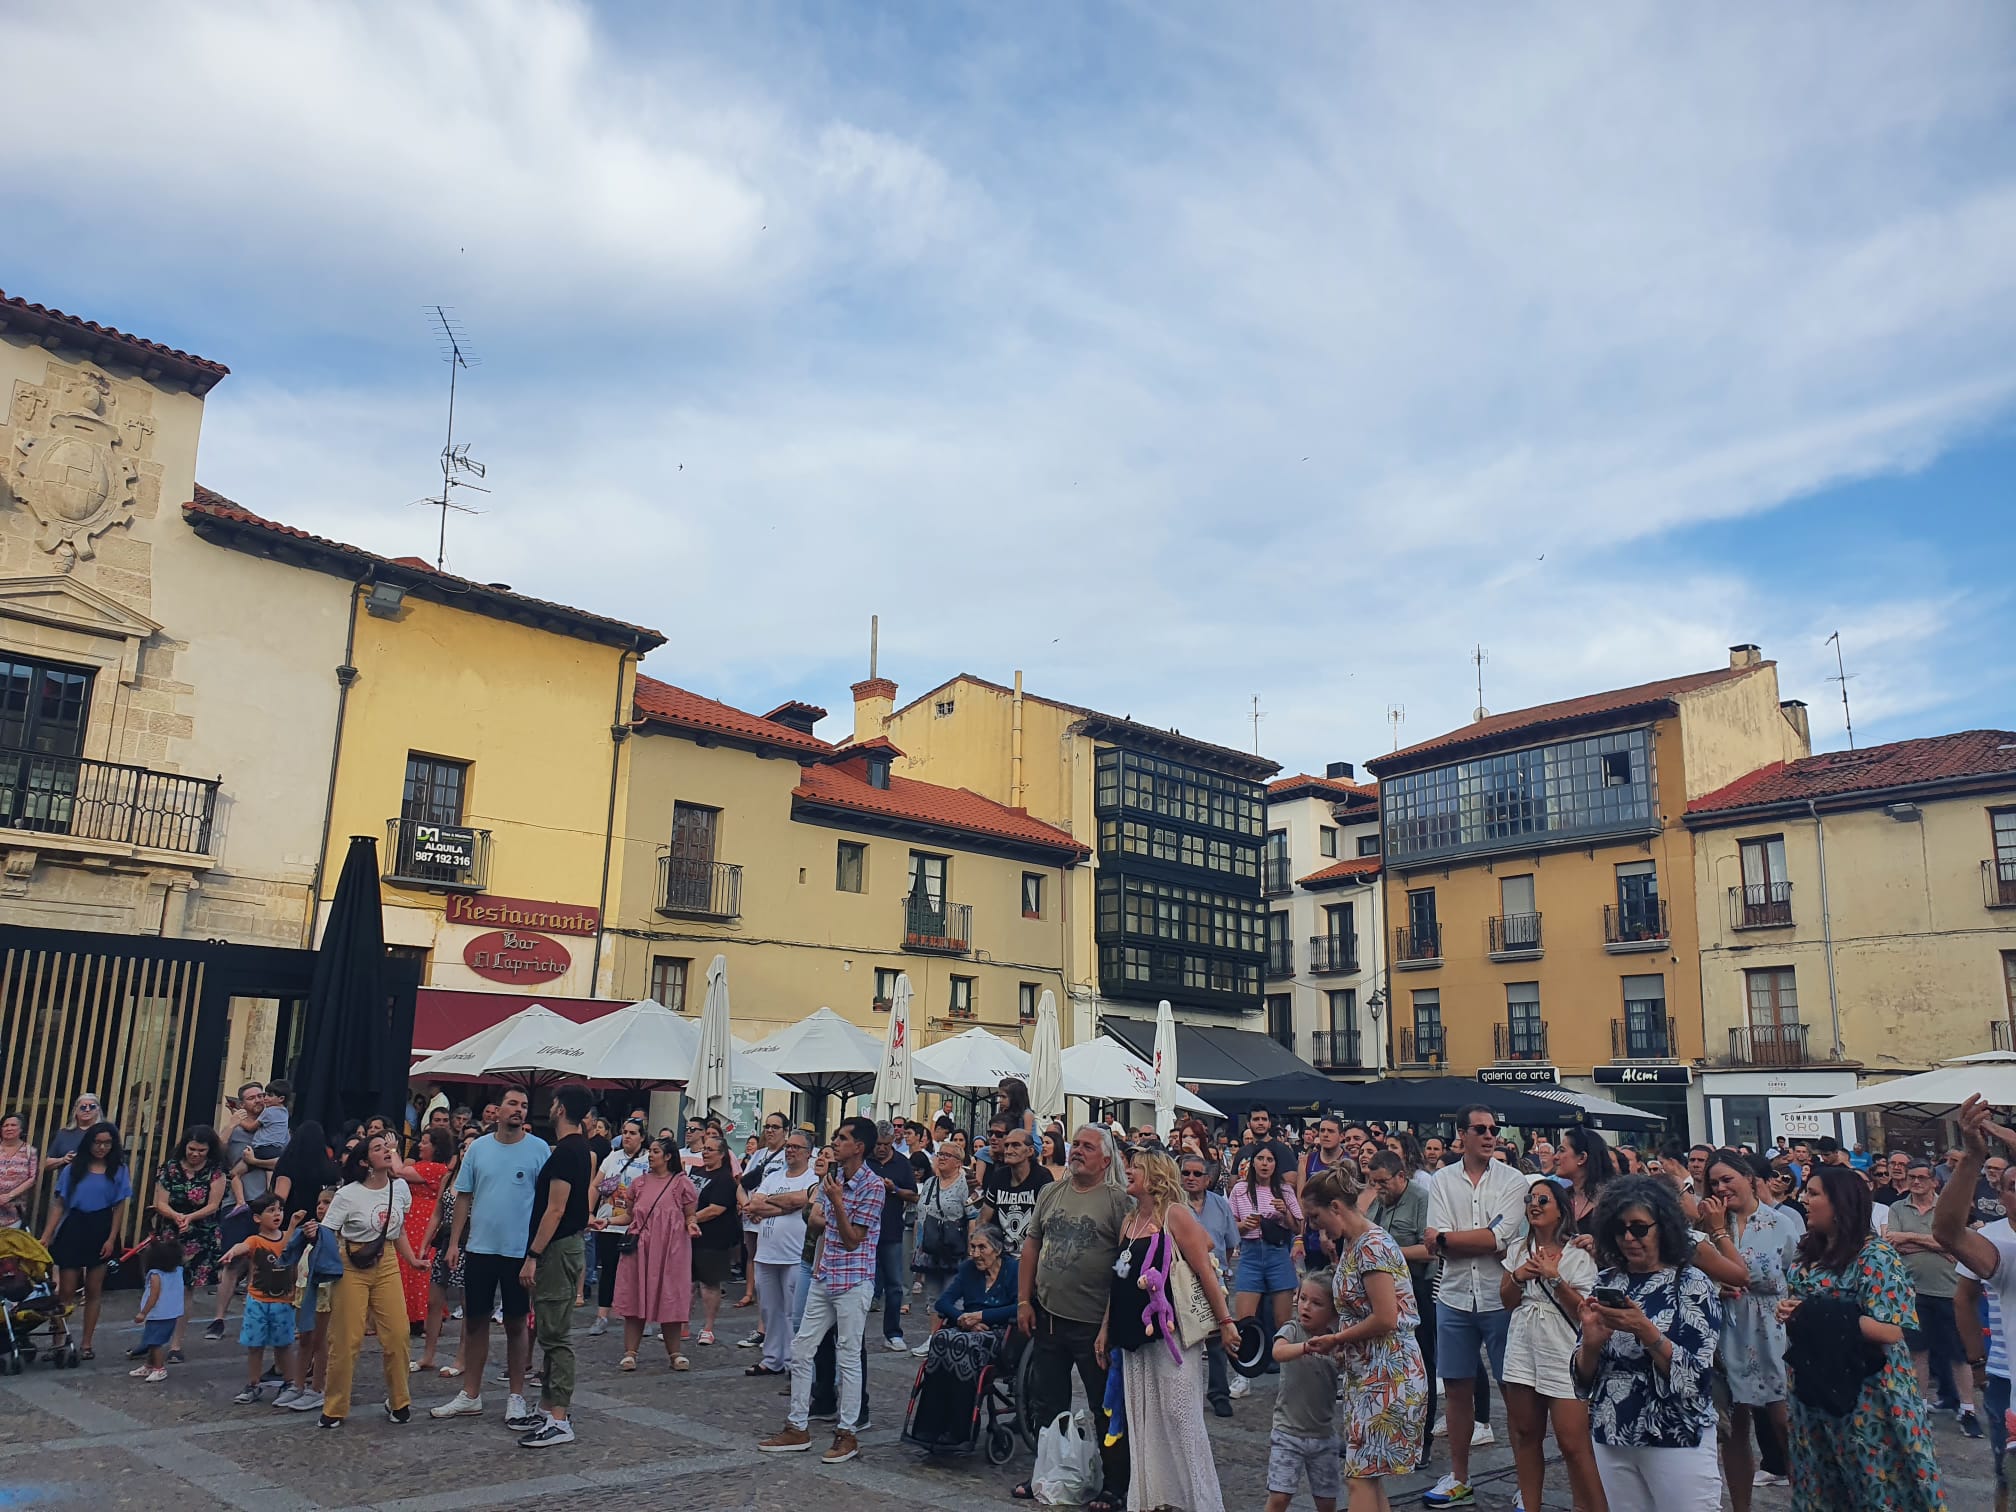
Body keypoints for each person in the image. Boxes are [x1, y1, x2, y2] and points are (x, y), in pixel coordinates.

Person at [1785, 1161, 1943, 1508]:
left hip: (1869, 1394)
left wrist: (1809, 1313)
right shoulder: (1807, 1252)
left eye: (1813, 1194)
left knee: (1875, 1485)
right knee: (1823, 1483)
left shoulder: (1875, 1256)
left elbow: (1891, 1329)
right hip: (1814, 1385)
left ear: (1840, 1202)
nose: (1804, 1199)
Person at [1100, 1147, 1239, 1512]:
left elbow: (1205, 1265)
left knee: (1181, 1414)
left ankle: (1200, 1501)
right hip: (1132, 1334)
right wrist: (1105, 1330)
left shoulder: (1174, 1214)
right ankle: (1156, 1499)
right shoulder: (1129, 1221)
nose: (1128, 1172)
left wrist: (1226, 1322)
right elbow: (1118, 1280)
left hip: (1170, 1332)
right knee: (1144, 1416)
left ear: (1155, 1174)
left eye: (1136, 1168)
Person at [1571, 1175, 1722, 1510]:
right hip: (1614, 1432)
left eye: (1639, 1228)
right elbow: (1581, 1382)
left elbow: (1697, 1377)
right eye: (1619, 1229)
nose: (1628, 1238)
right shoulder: (1606, 1281)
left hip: (1676, 1434)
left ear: (1663, 1228)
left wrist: (1647, 1332)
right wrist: (1592, 1344)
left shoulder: (1692, 1283)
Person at [1012, 1125, 1133, 1509]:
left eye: (1087, 1147)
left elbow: (1125, 1265)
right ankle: (1048, 1474)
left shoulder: (1118, 1201)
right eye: (1075, 1144)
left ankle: (1114, 1485)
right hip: (1048, 1315)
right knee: (1047, 1403)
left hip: (1093, 1323)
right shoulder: (1051, 1191)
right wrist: (1023, 1300)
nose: (1077, 1151)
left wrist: (1109, 1325)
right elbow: (1032, 1245)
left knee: (1105, 1408)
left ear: (1106, 1159)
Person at [760, 1114, 886, 1465]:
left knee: (848, 1355)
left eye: (842, 1138)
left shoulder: (873, 1186)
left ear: (858, 1147)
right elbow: (819, 1224)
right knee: (802, 1348)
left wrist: (838, 1203)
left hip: (854, 1280)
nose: (835, 1142)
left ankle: (848, 1433)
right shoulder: (834, 1179)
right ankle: (797, 1426)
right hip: (825, 1275)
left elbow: (852, 1239)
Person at [1421, 1104, 1529, 1508]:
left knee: (1514, 1391)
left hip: (1500, 1296)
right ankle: (1460, 1477)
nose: (1489, 1135)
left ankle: (1527, 1480)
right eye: (1480, 1128)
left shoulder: (1514, 1180)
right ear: (1461, 1135)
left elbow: (1497, 1238)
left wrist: (1451, 1240)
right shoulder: (1441, 1180)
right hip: (1453, 1295)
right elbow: (1438, 1238)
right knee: (1456, 1389)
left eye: (1494, 1128)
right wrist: (1462, 1239)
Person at [1302, 1165, 1428, 1510]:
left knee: (1358, 1478)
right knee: (1366, 1476)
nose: (1314, 1227)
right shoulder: (1354, 1242)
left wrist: (1337, 1340)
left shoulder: (1372, 1245)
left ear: (1336, 1208)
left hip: (1388, 1371)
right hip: (1371, 1371)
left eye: (1314, 1217)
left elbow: (1386, 1317)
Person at [431, 1086, 549, 1429]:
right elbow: (464, 1196)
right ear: (496, 1110)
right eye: (513, 1103)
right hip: (480, 1248)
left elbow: (544, 1202)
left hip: (517, 1252)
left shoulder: (538, 1149)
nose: (519, 1110)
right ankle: (470, 1394)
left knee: (515, 1323)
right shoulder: (479, 1149)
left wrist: (536, 1252)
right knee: (475, 1320)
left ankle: (515, 1395)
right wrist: (454, 1243)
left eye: (524, 1106)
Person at [1498, 1175, 1602, 1512]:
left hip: (1562, 1347)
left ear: (1561, 1209)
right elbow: (1506, 1300)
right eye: (1530, 1199)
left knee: (1573, 1443)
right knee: (1526, 1434)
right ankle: (1530, 1505)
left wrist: (1554, 1278)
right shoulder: (1517, 1248)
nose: (1534, 1205)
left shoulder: (1579, 1252)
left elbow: (1584, 1310)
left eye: (1543, 1200)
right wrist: (1518, 1276)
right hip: (1523, 1344)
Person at [1705, 1148, 1798, 1511]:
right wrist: (1716, 1286)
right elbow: (1693, 1273)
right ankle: (1741, 1506)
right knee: (1734, 1430)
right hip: (1724, 1329)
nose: (1721, 1188)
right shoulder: (1708, 1225)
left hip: (1769, 1329)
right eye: (1714, 1183)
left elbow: (1791, 1271)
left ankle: (1804, 1498)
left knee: (1783, 1421)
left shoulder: (1780, 1223)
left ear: (1749, 1179)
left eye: (1728, 1179)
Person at [1942, 1096, 2016, 1512]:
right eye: (2011, 1185)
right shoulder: (1996, 1244)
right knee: (2006, 1472)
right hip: (2007, 1373)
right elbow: (1963, 1299)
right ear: (1999, 1193)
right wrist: (1977, 1362)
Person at [316, 1132, 418, 1429]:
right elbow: (328, 1232)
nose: (387, 1150)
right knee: (347, 1338)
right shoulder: (348, 1194)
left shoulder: (399, 1188)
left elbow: (397, 1230)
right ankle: (334, 1407)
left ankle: (399, 1401)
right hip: (351, 1262)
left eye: (387, 1147)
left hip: (386, 1261)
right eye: (378, 1148)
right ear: (365, 1161)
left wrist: (411, 1259)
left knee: (398, 1334)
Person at [515, 1083, 593, 1449]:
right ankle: (548, 1407)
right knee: (548, 1327)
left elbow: (556, 1208)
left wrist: (533, 1253)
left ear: (560, 1108)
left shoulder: (566, 1152)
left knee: (555, 1334)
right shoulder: (579, 1149)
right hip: (566, 1246)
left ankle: (560, 1417)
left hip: (558, 1248)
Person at [902, 1220, 1021, 1451]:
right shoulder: (968, 1269)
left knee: (964, 1345)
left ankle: (958, 1430)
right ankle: (930, 1427)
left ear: (997, 1249)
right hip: (968, 1327)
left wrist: (982, 1316)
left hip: (999, 1332)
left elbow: (1019, 1307)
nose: (975, 1253)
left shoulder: (1013, 1270)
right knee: (942, 1340)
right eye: (973, 1247)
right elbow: (944, 1302)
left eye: (981, 1248)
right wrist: (961, 1319)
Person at [1886, 1156, 1975, 1429]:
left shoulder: (1947, 1208)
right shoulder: (1898, 1208)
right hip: (1913, 1291)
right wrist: (1938, 1245)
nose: (1915, 1182)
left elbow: (1956, 1241)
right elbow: (1892, 1242)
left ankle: (1969, 1409)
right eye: (1911, 1177)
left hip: (1950, 1290)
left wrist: (1910, 1238)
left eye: (1921, 1177)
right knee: (1918, 1351)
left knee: (1959, 1353)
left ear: (1934, 1181)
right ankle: (1919, 1405)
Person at [40, 1120, 130, 1360]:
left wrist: (112, 1238)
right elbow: (60, 1204)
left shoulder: (118, 1169)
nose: (101, 1148)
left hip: (101, 1225)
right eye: (97, 1143)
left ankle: (87, 1343)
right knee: (67, 1288)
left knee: (93, 1288)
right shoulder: (74, 1168)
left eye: (107, 1143)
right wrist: (47, 1236)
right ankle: (59, 1339)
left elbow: (120, 1206)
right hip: (75, 1224)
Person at [611, 1134, 699, 1372]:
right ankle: (630, 1352)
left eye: (656, 1151)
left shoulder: (682, 1183)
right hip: (641, 1248)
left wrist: (692, 1224)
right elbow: (629, 1215)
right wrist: (606, 1220)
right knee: (635, 1296)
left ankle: (675, 1352)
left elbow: (690, 1214)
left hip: (672, 1248)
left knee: (670, 1297)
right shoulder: (639, 1183)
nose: (650, 1154)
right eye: (650, 1151)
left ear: (668, 1156)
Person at [1264, 1272, 1343, 1512]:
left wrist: (1341, 1357)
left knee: (1327, 1502)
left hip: (1324, 1436)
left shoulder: (1336, 1339)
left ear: (1333, 1312)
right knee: (1279, 1498)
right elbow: (1278, 1352)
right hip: (1287, 1433)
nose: (1306, 1306)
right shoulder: (1292, 1330)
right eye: (1303, 1298)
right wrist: (1306, 1347)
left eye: (1317, 1303)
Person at [220, 1193, 307, 1406]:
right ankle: (253, 1383)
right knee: (255, 1345)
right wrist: (233, 1251)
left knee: (284, 1344)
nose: (277, 1214)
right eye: (271, 1210)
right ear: (257, 1218)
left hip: (283, 1301)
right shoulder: (256, 1240)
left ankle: (289, 1382)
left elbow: (287, 1249)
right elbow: (244, 1246)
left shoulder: (289, 1236)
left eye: (279, 1210)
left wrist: (294, 1224)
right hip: (257, 1300)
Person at [744, 1129, 818, 1377]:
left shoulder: (811, 1178)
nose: (790, 1150)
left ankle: (793, 1360)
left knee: (793, 1311)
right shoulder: (773, 1176)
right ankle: (773, 1357)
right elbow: (754, 1204)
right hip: (767, 1253)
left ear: (808, 1153)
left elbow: (804, 1200)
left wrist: (771, 1204)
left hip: (794, 1255)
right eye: (789, 1146)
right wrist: (785, 1205)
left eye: (796, 1147)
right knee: (769, 1308)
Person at [148, 1124, 226, 1358]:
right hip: (171, 1231)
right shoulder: (170, 1168)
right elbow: (161, 1201)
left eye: (201, 1151)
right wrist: (176, 1216)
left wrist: (190, 1217)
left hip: (201, 1233)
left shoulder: (216, 1171)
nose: (195, 1154)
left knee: (185, 1290)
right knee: (159, 1287)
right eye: (192, 1149)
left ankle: (176, 1345)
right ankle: (152, 1341)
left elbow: (213, 1204)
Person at [1180, 1151, 1239, 1417]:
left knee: (1218, 1341)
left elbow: (1229, 1244)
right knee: (1184, 1342)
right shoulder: (1174, 1205)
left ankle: (1219, 1394)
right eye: (1186, 1173)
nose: (1191, 1178)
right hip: (1182, 1284)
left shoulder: (1220, 1205)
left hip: (1215, 1281)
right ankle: (1184, 1396)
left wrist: (1221, 1270)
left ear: (1207, 1179)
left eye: (1196, 1174)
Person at [278, 1184, 343, 1412]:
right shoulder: (311, 1230)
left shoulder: (335, 1233)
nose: (321, 1207)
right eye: (319, 1203)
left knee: (319, 1339)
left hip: (324, 1288)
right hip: (305, 1286)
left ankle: (317, 1387)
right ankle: (298, 1384)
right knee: (305, 1336)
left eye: (327, 1203)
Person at [1230, 1144, 1304, 1336]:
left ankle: (1282, 1363)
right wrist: (1244, 1225)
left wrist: (1285, 1212)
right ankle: (1253, 1362)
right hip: (1250, 1253)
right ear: (1252, 1163)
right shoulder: (1240, 1189)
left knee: (1283, 1322)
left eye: (1269, 1160)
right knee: (1245, 1321)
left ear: (1275, 1165)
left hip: (1277, 1254)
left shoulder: (1285, 1190)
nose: (1265, 1164)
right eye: (1260, 1159)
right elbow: (1229, 1227)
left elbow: (1298, 1227)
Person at [587, 1119, 648, 1338]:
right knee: (608, 1271)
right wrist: (590, 1212)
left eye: (633, 1133)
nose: (628, 1136)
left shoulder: (649, 1159)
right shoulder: (612, 1157)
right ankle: (602, 1315)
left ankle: (641, 1316)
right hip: (609, 1222)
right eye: (624, 1132)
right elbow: (595, 1186)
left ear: (642, 1136)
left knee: (638, 1271)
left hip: (636, 1225)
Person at [689, 1131, 743, 1347]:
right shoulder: (696, 1171)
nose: (705, 1153)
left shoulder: (724, 1179)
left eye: (709, 1149)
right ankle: (681, 1325)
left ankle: (708, 1328)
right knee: (687, 1283)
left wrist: (690, 1218)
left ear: (722, 1154)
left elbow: (715, 1209)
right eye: (704, 1149)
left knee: (709, 1284)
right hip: (691, 1236)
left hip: (713, 1238)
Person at [868, 1122, 919, 1350]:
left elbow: (914, 1196)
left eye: (886, 1145)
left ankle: (893, 1333)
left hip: (891, 1230)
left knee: (895, 1284)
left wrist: (894, 1189)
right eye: (878, 1144)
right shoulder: (865, 1161)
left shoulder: (902, 1163)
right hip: (864, 1230)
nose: (881, 1148)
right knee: (863, 1285)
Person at [398, 1127, 454, 1330]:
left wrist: (392, 1148)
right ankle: (412, 1314)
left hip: (424, 1219)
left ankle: (421, 1315)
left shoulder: (435, 1168)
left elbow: (398, 1171)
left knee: (420, 1267)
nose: (420, 1145)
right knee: (409, 1266)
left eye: (424, 1142)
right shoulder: (426, 1166)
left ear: (436, 1147)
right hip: (415, 1217)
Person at [736, 1112, 791, 1312]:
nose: (769, 1131)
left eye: (775, 1127)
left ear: (785, 1131)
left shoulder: (788, 1154)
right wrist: (748, 1207)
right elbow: (742, 1185)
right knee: (752, 1254)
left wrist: (763, 1210)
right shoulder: (758, 1155)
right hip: (751, 1212)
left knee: (768, 1256)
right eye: (767, 1126)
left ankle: (766, 1297)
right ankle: (750, 1291)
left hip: (771, 1213)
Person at [911, 1143, 970, 1324]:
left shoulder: (964, 1185)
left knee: (953, 1297)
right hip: (929, 1248)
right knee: (933, 1298)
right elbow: (920, 1214)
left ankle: (953, 1334)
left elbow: (973, 1218)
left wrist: (970, 1250)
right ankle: (934, 1338)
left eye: (947, 1155)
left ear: (958, 1162)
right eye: (940, 1154)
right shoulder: (930, 1183)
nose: (942, 1158)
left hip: (953, 1250)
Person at [979, 1123, 1051, 1258]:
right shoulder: (999, 1176)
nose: (1008, 1150)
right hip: (1002, 1258)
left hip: (1034, 1257)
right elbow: (983, 1219)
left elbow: (1049, 1224)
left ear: (1030, 1151)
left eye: (1015, 1145)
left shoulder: (1042, 1178)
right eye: (1006, 1145)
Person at [128, 1230, 185, 1384]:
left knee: (154, 1342)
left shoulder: (155, 1274)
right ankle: (149, 1365)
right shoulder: (178, 1271)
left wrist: (143, 1313)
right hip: (171, 1313)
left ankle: (159, 1368)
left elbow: (154, 1296)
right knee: (153, 1340)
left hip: (158, 1314)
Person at [0, 1112, 39, 1229]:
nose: (9, 1128)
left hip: (14, 1212)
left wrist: (9, 1196)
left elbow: (32, 1179)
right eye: (5, 1125)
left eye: (13, 1125)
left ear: (21, 1129)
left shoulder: (30, 1151)